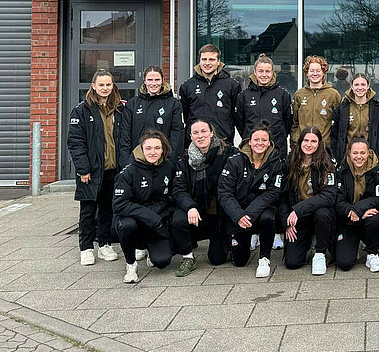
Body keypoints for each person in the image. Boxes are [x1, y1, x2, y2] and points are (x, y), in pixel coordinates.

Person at [68, 69, 130, 266]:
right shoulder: (81, 110)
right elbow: (75, 142)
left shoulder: (120, 109)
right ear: (93, 86)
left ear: (113, 86)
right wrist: (83, 169)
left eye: (108, 85)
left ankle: (104, 244)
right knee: (88, 210)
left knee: (107, 209)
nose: (105, 88)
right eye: (101, 85)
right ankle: (86, 248)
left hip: (114, 169)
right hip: (91, 170)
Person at [170, 119, 238, 276]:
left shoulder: (228, 153)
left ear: (211, 132)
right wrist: (190, 206)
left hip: (218, 212)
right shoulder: (184, 160)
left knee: (217, 259)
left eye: (203, 131)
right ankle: (188, 257)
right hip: (196, 208)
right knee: (178, 219)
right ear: (191, 136)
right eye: (195, 133)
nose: (200, 136)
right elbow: (179, 190)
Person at [218, 122, 284, 278]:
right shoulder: (235, 161)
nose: (260, 143)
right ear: (249, 141)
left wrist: (250, 214)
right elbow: (224, 193)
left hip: (260, 211)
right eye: (256, 140)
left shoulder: (276, 162)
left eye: (264, 140)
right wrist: (239, 215)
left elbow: (273, 192)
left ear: (269, 143)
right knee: (239, 261)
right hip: (239, 214)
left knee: (268, 217)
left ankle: (264, 258)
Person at [112, 130, 176, 283]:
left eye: (157, 148)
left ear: (163, 149)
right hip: (136, 222)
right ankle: (131, 264)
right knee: (127, 225)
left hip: (157, 224)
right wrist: (151, 217)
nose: (152, 152)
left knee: (162, 262)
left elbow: (173, 195)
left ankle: (149, 249)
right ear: (141, 148)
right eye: (148, 148)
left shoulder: (168, 167)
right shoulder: (128, 171)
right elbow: (119, 204)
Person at [281, 126, 337, 275]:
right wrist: (286, 222)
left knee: (322, 213)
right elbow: (282, 196)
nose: (309, 144)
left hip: (318, 214)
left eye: (313, 141)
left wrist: (298, 209)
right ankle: (306, 242)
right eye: (306, 140)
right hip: (298, 217)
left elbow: (329, 196)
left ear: (319, 144)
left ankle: (320, 253)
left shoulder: (327, 164)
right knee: (292, 263)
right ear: (300, 142)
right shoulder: (289, 163)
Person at [334, 136, 379, 273]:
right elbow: (337, 201)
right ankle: (353, 248)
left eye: (362, 153)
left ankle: (372, 254)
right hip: (348, 219)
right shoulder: (341, 170)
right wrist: (353, 212)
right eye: (355, 153)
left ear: (368, 153)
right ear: (349, 153)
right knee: (344, 263)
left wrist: (359, 210)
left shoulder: (377, 169)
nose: (359, 157)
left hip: (368, 218)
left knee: (374, 217)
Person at [235, 53, 293, 159]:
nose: (264, 75)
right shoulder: (244, 96)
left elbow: (287, 121)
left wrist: (277, 135)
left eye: (267, 71)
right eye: (261, 71)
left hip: (276, 148)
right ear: (255, 73)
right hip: (251, 149)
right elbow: (240, 122)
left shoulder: (282, 95)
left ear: (273, 73)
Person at [179, 44, 241, 142]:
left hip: (223, 141)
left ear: (218, 61)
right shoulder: (187, 86)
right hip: (196, 142)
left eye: (211, 60)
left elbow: (236, 115)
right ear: (199, 61)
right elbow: (186, 115)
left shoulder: (232, 85)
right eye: (204, 59)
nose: (207, 63)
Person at [125, 65, 185, 159]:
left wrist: (170, 161)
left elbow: (177, 135)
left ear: (162, 80)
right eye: (150, 80)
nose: (153, 83)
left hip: (163, 160)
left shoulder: (173, 104)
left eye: (157, 80)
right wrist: (126, 161)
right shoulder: (132, 104)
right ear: (144, 81)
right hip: (137, 160)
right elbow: (125, 135)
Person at [290, 55, 341, 154]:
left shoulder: (333, 94)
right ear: (307, 72)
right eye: (311, 71)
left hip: (324, 147)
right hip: (302, 147)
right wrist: (294, 142)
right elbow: (295, 122)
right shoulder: (299, 94)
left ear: (323, 73)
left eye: (318, 71)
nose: (315, 74)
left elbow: (339, 123)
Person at [333, 72, 379, 160]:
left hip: (370, 158)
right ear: (352, 86)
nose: (360, 88)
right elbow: (335, 135)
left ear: (368, 86)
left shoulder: (377, 109)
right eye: (356, 85)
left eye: (363, 84)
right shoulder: (342, 108)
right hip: (347, 158)